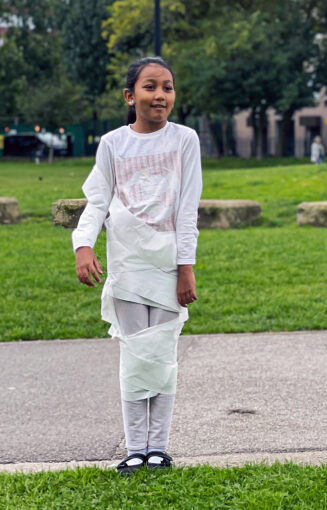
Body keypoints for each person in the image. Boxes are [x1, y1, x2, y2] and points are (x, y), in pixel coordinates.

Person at [72, 56, 202, 475]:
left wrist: (186, 266)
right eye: (150, 87)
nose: (160, 95)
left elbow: (187, 209)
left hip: (167, 263)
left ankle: (159, 448)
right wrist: (83, 245)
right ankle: (134, 448)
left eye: (167, 86)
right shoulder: (113, 143)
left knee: (162, 354)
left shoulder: (186, 140)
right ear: (131, 96)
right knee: (134, 355)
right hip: (127, 263)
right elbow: (98, 201)